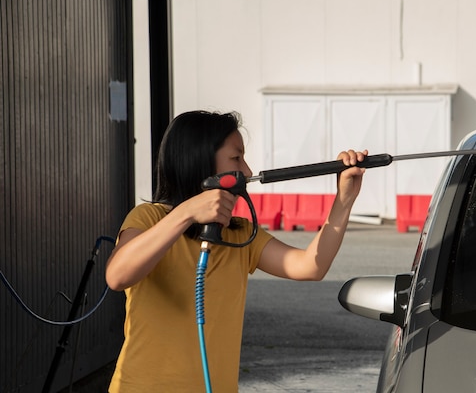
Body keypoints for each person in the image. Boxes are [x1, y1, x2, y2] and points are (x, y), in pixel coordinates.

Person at [105, 110, 367, 392]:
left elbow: (310, 266)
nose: (247, 171)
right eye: (236, 158)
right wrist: (186, 214)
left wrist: (344, 200)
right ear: (200, 162)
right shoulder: (149, 218)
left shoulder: (240, 234)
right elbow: (118, 276)